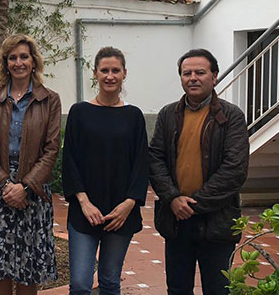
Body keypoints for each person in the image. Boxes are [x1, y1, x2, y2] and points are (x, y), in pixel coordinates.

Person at [149, 48, 249, 295]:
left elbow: (234, 169)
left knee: (218, 290)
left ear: (214, 77)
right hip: (176, 221)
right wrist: (173, 198)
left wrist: (193, 204)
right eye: (186, 73)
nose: (192, 77)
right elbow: (155, 159)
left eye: (200, 72)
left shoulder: (231, 116)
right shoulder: (168, 115)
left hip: (217, 222)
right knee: (178, 289)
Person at [0, 34, 61, 295]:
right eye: (12, 57)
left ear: (34, 61)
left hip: (33, 192)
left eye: (24, 56)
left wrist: (25, 187)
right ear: (5, 62)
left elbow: (52, 147)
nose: (18, 62)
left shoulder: (49, 99)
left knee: (28, 270)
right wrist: (5, 184)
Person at [62, 47, 149, 295]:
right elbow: (70, 160)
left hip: (120, 213)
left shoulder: (134, 116)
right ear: (95, 74)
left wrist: (129, 204)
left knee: (110, 282)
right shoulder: (79, 112)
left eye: (115, 70)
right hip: (84, 211)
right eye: (104, 70)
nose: (110, 76)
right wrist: (83, 202)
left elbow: (141, 163)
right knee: (80, 283)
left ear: (124, 74)